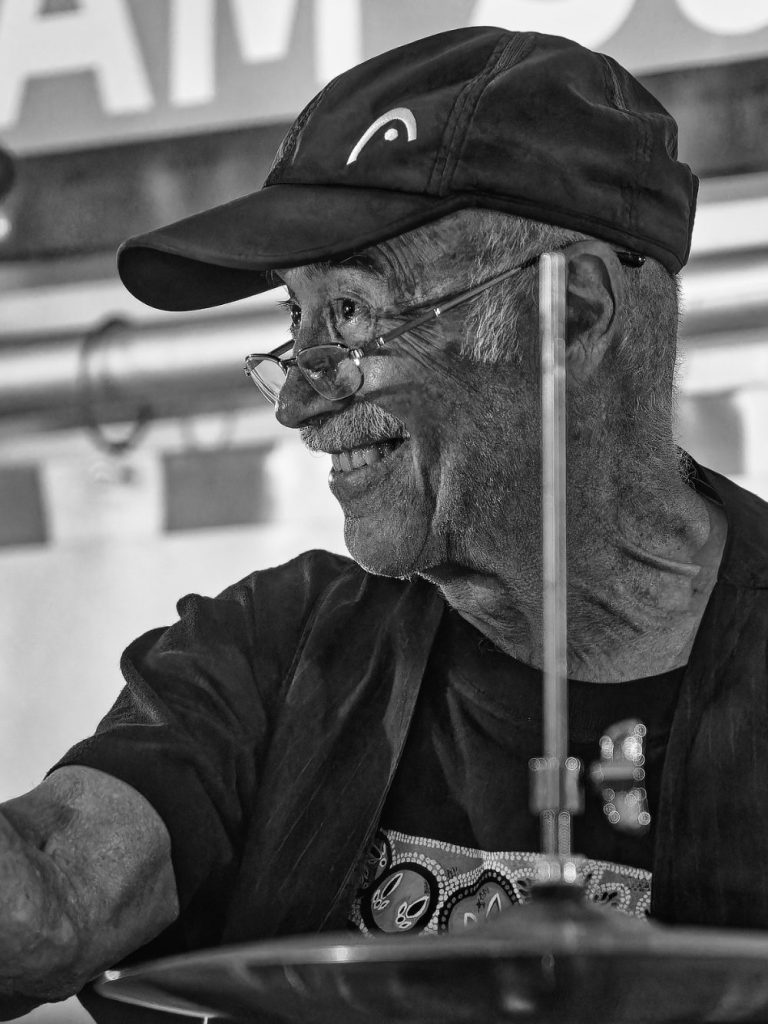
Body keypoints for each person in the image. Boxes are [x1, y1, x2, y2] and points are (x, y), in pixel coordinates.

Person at [2, 24, 768, 1024]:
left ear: (571, 313)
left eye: (355, 316)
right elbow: (45, 912)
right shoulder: (275, 650)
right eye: (298, 320)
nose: (297, 400)